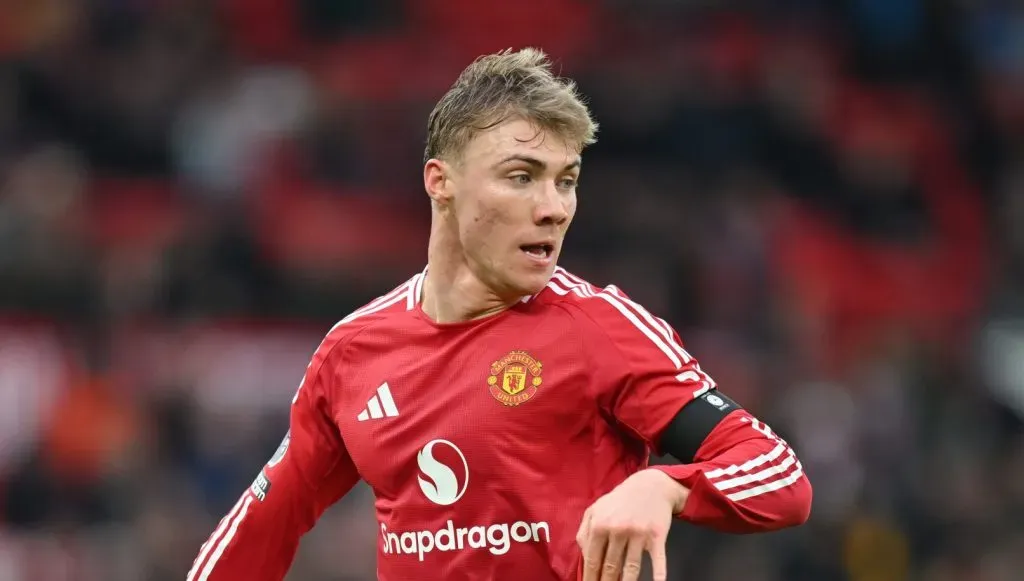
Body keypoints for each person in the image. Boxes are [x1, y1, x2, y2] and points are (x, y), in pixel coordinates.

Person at [186, 48, 812, 581]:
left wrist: (667, 486)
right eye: (522, 177)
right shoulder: (355, 352)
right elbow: (262, 527)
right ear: (441, 182)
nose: (554, 208)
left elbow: (780, 478)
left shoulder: (600, 329)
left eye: (566, 181)